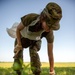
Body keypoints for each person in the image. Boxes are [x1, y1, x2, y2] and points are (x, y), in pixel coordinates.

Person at [7, 2, 62, 75]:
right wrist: (19, 45)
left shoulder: (49, 33)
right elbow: (18, 29)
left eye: (52, 26)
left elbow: (50, 53)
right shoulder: (31, 18)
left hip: (35, 40)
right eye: (49, 25)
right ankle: (18, 72)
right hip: (22, 37)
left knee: (34, 53)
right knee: (18, 55)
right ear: (43, 18)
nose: (50, 28)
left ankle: (37, 72)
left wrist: (51, 70)